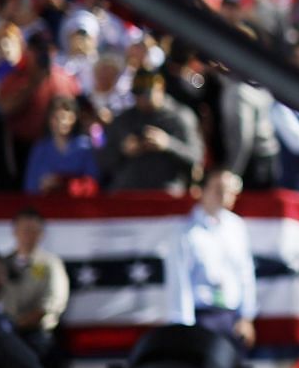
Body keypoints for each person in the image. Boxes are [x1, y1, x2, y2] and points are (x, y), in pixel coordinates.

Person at [166, 170, 256, 348]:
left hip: (231, 318)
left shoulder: (237, 227)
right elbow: (180, 282)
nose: (224, 196)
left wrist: (246, 317)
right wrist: (185, 328)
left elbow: (245, 273)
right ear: (201, 191)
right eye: (218, 189)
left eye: (229, 191)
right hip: (202, 317)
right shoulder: (185, 232)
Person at [100, 69, 204, 193]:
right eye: (138, 94)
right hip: (128, 193)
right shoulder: (123, 120)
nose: (142, 99)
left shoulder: (179, 117)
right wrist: (123, 150)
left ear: (161, 88)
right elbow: (103, 162)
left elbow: (196, 157)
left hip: (166, 194)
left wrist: (168, 144)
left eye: (147, 94)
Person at [2, 208, 69, 368]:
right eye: (24, 230)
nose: (28, 236)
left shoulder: (51, 264)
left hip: (37, 337)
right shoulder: (2, 264)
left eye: (34, 231)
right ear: (14, 232)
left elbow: (53, 302)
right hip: (4, 335)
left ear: (41, 234)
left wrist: (21, 323)